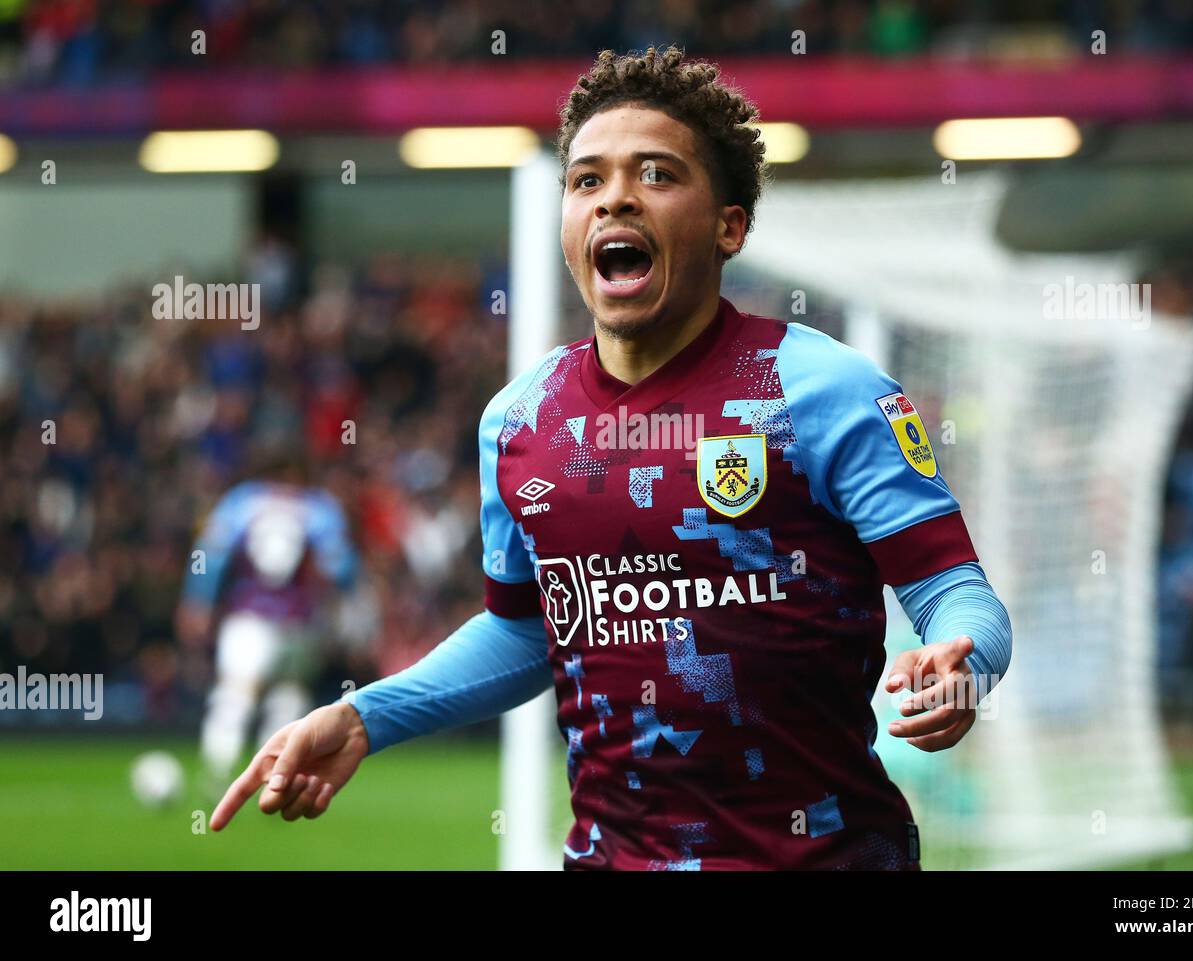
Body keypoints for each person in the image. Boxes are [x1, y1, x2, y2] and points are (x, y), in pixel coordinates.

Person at [211, 45, 1012, 870]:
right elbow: (526, 633)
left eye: (657, 174)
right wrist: (366, 716)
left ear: (729, 226)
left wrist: (962, 662)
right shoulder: (520, 421)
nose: (614, 197)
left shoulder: (823, 392)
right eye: (586, 180)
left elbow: (959, 595)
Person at [178, 456, 361, 794]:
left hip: (250, 617)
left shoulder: (241, 501)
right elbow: (342, 566)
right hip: (298, 621)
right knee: (287, 696)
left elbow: (210, 555)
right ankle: (274, 776)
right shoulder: (319, 508)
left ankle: (219, 773)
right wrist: (346, 603)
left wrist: (198, 599)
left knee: (237, 693)